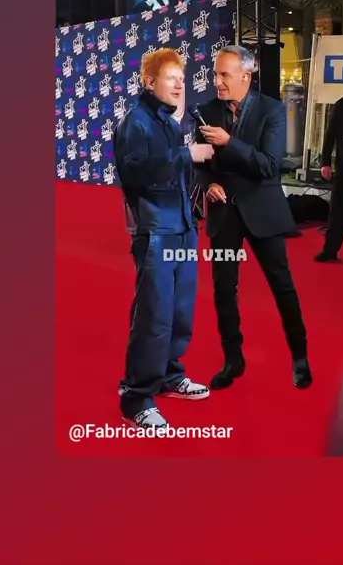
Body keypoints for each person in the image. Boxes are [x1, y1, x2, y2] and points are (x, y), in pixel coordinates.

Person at [194, 45, 312, 390]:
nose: (217, 81)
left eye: (224, 75)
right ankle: (233, 360)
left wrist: (229, 142)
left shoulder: (272, 110)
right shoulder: (206, 111)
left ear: (246, 76)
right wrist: (209, 183)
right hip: (224, 215)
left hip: (263, 211)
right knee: (223, 290)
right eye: (215, 74)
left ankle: (300, 357)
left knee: (282, 286)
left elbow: (269, 166)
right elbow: (200, 161)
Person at [113, 48, 214, 430]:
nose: (179, 85)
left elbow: (179, 174)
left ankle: (170, 376)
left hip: (183, 228)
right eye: (171, 78)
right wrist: (186, 155)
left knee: (179, 312)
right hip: (155, 232)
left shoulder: (169, 123)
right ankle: (137, 397)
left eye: (182, 79)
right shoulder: (135, 123)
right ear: (150, 81)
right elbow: (134, 175)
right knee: (154, 314)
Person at [314, 91, 343, 262]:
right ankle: (330, 250)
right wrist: (325, 162)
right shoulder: (342, 105)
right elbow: (330, 135)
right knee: (338, 209)